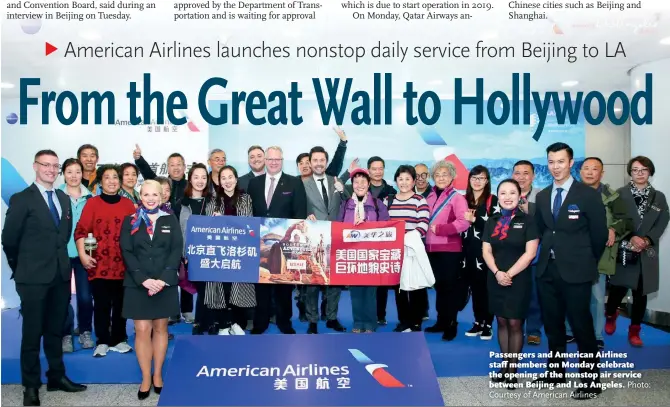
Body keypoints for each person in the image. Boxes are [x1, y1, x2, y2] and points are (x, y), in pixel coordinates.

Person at [2, 150, 87, 406]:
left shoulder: (62, 197)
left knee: (55, 330)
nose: (51, 169)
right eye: (45, 165)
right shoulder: (22, 199)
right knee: (31, 333)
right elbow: (9, 240)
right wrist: (22, 269)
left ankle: (56, 377)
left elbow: (63, 234)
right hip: (32, 278)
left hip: (60, 275)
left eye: (54, 165)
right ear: (35, 166)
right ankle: (30, 385)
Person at [533, 142, 607, 400]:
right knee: (553, 326)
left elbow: (598, 236)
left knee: (581, 326)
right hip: (547, 271)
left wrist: (585, 261)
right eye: (551, 162)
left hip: (577, 272)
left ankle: (590, 381)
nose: (555, 167)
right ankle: (556, 372)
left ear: (571, 163)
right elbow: (544, 231)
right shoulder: (542, 196)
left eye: (560, 162)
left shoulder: (587, 194)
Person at [120, 180, 183, 400]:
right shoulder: (131, 221)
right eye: (146, 194)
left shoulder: (170, 219)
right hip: (138, 284)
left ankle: (158, 376)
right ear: (140, 196)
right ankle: (146, 377)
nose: (150, 198)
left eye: (155, 194)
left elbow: (176, 250)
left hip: (163, 283)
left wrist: (164, 278)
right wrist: (143, 280)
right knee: (142, 329)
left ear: (162, 196)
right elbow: (126, 251)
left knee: (160, 328)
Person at [565, 157, 633, 349]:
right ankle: (570, 331)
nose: (589, 172)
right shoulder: (570, 193)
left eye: (594, 169)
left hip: (600, 253)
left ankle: (596, 335)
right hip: (572, 252)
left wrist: (612, 229)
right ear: (579, 172)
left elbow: (626, 221)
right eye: (586, 168)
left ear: (601, 173)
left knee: (596, 296)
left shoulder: (611, 196)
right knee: (572, 294)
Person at [605, 156, 669, 347]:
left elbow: (663, 221)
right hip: (625, 248)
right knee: (617, 289)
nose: (639, 173)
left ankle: (634, 330)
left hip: (646, 251)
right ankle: (611, 314)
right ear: (630, 173)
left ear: (650, 172)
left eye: (643, 170)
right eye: (635, 170)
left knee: (641, 293)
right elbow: (613, 219)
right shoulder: (620, 194)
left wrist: (647, 240)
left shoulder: (659, 197)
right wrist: (630, 236)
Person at [75, 164, 136, 358]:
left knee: (121, 304)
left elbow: (136, 233)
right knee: (101, 304)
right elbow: (81, 231)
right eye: (107, 177)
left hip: (123, 265)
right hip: (98, 264)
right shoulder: (92, 203)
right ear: (100, 181)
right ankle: (102, 340)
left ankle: (119, 338)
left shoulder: (128, 205)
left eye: (115, 177)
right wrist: (83, 255)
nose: (112, 181)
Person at [482, 179, 539, 387]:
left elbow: (530, 253)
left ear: (519, 196)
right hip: (495, 277)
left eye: (512, 193)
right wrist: (497, 272)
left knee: (515, 323)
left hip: (519, 278)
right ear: (498, 196)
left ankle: (512, 370)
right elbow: (486, 250)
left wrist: (509, 274)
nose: (507, 197)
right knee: (502, 321)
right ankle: (503, 365)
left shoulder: (529, 220)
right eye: (503, 193)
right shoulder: (492, 220)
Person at [247, 146, 307, 335]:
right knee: (261, 285)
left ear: (282, 161)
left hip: (284, 244)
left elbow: (299, 213)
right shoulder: (254, 184)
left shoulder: (294, 183)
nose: (273, 162)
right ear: (265, 160)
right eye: (270, 159)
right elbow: (250, 213)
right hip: (259, 243)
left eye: (277, 159)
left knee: (284, 287)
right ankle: (260, 323)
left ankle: (284, 323)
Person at [338, 168, 390, 333]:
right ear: (351, 185)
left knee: (370, 291)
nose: (359, 185)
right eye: (356, 182)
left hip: (372, 254)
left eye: (363, 182)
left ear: (369, 184)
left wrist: (366, 223)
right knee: (355, 291)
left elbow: (386, 228)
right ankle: (358, 322)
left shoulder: (377, 204)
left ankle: (370, 323)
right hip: (352, 255)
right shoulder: (346, 204)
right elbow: (338, 228)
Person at [424, 160, 470, 341]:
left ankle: (452, 324)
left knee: (450, 288)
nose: (441, 178)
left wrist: (442, 229)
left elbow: (464, 222)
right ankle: (441, 321)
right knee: (439, 287)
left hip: (450, 250)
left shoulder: (457, 198)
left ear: (452, 177)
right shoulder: (429, 197)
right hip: (430, 249)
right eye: (437, 175)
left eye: (445, 174)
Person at [303, 146, 347, 334]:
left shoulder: (335, 181)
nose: (319, 163)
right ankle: (312, 320)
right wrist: (306, 216)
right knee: (312, 283)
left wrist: (343, 190)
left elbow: (349, 203)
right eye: (315, 160)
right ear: (310, 163)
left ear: (326, 162)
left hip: (335, 237)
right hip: (312, 239)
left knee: (334, 282)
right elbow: (298, 208)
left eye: (322, 160)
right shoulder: (302, 184)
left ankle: (331, 318)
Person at [385, 165, 430, 333]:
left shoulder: (420, 200)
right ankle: (403, 320)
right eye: (400, 179)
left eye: (407, 179)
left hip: (413, 250)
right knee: (399, 288)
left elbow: (423, 225)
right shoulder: (389, 200)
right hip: (395, 251)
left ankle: (416, 321)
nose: (404, 182)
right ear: (396, 180)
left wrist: (407, 240)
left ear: (413, 181)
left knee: (416, 286)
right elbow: (384, 225)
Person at [212, 165, 257, 334]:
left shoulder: (245, 198)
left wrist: (224, 219)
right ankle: (224, 323)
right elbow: (211, 225)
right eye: (223, 178)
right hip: (221, 251)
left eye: (230, 177)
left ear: (236, 179)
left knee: (238, 288)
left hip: (241, 250)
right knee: (222, 288)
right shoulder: (214, 199)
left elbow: (247, 222)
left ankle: (237, 323)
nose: (227, 181)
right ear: (220, 181)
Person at [58, 158, 94, 352]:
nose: (74, 176)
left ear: (83, 174)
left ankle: (85, 330)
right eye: (69, 172)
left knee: (85, 297)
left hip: (84, 256)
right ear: (63, 174)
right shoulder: (56, 196)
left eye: (77, 172)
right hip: (61, 255)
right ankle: (65, 334)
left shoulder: (91, 198)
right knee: (62, 297)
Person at [463, 165, 498, 340]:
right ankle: (478, 321)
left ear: (487, 181)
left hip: (485, 253)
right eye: (474, 178)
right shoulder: (463, 200)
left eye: (481, 178)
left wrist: (475, 220)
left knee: (486, 289)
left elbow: (496, 228)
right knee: (475, 289)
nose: (477, 182)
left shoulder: (493, 201)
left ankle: (488, 324)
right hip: (466, 253)